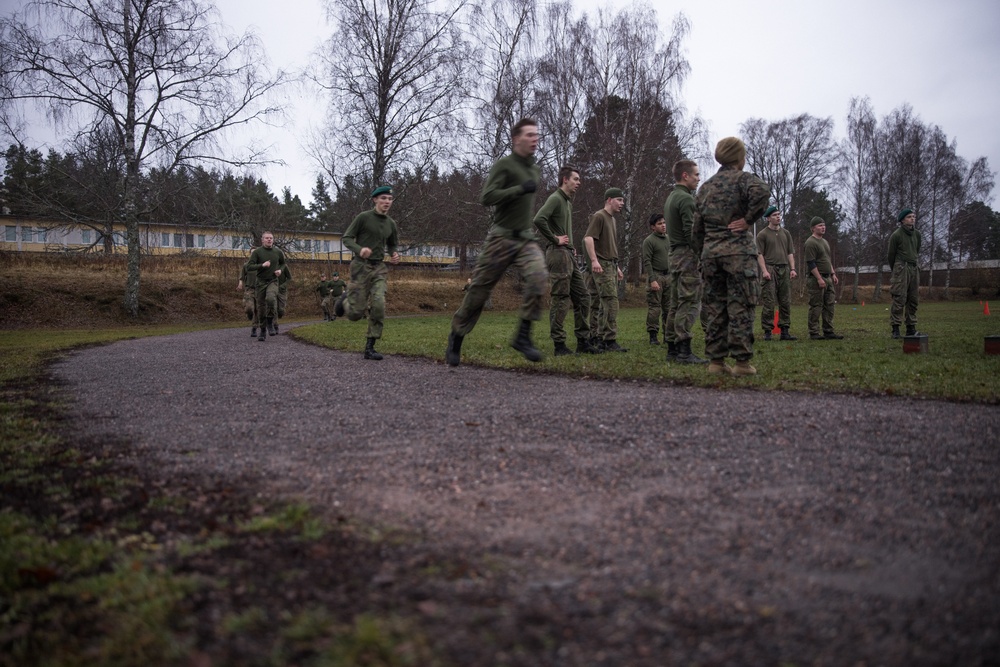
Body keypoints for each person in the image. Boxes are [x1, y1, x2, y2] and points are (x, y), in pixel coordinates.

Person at [445, 117, 548, 366]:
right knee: (479, 292)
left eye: (537, 135)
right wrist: (519, 190)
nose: (535, 139)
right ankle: (457, 335)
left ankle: (522, 336)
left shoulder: (535, 169)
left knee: (539, 278)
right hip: (500, 238)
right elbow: (487, 197)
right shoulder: (504, 165)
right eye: (529, 135)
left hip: (524, 238)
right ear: (516, 139)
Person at [692, 137, 770, 376]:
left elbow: (697, 228)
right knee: (741, 307)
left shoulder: (705, 187)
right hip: (738, 254)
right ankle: (742, 363)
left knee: (715, 308)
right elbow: (763, 192)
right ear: (739, 157)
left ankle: (716, 362)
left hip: (711, 255)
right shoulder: (743, 180)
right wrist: (747, 220)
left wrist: (704, 252)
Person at [533, 165, 596, 355]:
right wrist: (555, 239)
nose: (579, 183)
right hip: (557, 254)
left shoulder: (568, 203)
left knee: (583, 297)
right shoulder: (555, 198)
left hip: (567, 253)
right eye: (575, 179)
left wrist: (569, 244)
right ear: (565, 180)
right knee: (560, 299)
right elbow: (539, 219)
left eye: (579, 179)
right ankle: (559, 345)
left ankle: (583, 342)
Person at [334, 186, 401, 360]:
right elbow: (347, 238)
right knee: (356, 315)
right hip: (361, 266)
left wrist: (394, 253)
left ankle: (370, 347)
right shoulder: (363, 218)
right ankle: (345, 300)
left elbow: (393, 243)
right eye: (384, 198)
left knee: (379, 304)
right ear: (375, 200)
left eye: (390, 199)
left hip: (379, 268)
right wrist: (359, 249)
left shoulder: (391, 223)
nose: (387, 202)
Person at [665, 159, 707, 364]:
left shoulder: (672, 197)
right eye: (696, 175)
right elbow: (692, 234)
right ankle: (684, 350)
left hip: (674, 255)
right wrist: (704, 253)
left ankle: (672, 349)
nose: (699, 179)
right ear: (685, 176)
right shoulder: (686, 199)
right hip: (687, 256)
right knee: (689, 302)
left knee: (675, 303)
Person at [584, 188, 627, 352]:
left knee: (604, 303)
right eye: (619, 199)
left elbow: (610, 246)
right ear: (609, 200)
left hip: (611, 265)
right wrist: (594, 260)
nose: (622, 203)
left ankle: (601, 338)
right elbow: (588, 239)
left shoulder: (612, 220)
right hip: (602, 265)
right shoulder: (599, 216)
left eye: (623, 200)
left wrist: (617, 268)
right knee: (611, 301)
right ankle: (609, 340)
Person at [756, 205, 798, 341]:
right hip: (770, 268)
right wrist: (764, 271)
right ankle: (767, 332)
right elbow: (759, 254)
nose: (778, 217)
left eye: (779, 214)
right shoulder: (762, 234)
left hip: (784, 268)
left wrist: (792, 269)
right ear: (768, 218)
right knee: (769, 302)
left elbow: (790, 252)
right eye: (774, 215)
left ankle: (785, 331)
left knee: (785, 301)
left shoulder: (786, 233)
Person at [803, 216, 843, 340]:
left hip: (828, 278)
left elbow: (827, 259)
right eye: (820, 225)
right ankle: (814, 332)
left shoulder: (825, 242)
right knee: (816, 306)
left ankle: (828, 330)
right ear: (813, 228)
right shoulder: (810, 242)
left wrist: (833, 274)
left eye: (824, 225)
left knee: (829, 305)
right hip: (816, 279)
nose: (823, 227)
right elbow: (811, 263)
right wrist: (819, 279)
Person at [246, 231, 286, 342]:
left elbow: (283, 264)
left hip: (273, 281)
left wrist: (280, 270)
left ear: (273, 240)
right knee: (261, 308)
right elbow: (249, 267)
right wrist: (262, 265)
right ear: (262, 240)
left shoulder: (278, 252)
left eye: (271, 238)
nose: (269, 240)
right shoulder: (257, 252)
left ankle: (270, 322)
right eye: (267, 238)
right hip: (260, 282)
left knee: (271, 299)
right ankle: (262, 330)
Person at [888, 207, 921, 338]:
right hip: (901, 268)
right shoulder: (896, 235)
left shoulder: (917, 234)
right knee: (899, 298)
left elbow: (916, 250)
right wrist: (896, 270)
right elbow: (891, 254)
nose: (912, 219)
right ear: (902, 220)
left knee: (913, 298)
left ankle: (911, 328)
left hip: (913, 268)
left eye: (913, 216)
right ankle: (895, 329)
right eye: (909, 217)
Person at [641, 213, 670, 347]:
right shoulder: (649, 241)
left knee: (669, 308)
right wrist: (652, 280)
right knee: (655, 308)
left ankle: (668, 335)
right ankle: (653, 335)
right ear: (653, 227)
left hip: (669, 276)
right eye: (659, 223)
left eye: (664, 222)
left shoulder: (668, 239)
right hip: (656, 275)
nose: (663, 225)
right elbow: (647, 261)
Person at [237, 260, 259, 337]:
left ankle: (254, 328)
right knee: (249, 308)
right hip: (249, 289)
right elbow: (241, 276)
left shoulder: (261, 265)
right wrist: (240, 284)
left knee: (257, 310)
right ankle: (249, 314)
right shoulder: (246, 265)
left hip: (259, 290)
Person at [275, 261, 292, 334]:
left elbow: (289, 278)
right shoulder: (272, 264)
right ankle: (275, 326)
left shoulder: (284, 266)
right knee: (273, 307)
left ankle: (280, 314)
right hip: (273, 289)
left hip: (282, 291)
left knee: (281, 309)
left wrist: (283, 285)